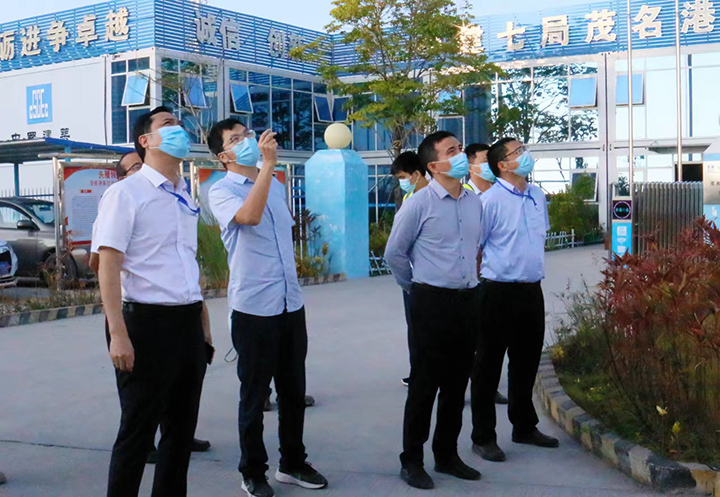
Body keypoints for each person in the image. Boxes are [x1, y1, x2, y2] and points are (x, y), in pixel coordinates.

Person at [94, 106, 212, 497]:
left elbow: (186, 264)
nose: (178, 129)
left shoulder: (184, 195)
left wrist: (203, 325)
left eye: (179, 123)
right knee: (137, 432)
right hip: (145, 325)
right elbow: (108, 265)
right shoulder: (126, 193)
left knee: (180, 433)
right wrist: (118, 333)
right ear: (145, 140)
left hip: (186, 324)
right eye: (167, 124)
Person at [207, 118, 327, 497]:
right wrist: (268, 167)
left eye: (247, 134)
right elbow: (249, 216)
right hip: (254, 308)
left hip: (290, 303)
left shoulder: (273, 185)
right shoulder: (221, 190)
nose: (247, 140)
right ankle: (252, 471)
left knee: (293, 391)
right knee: (255, 395)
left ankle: (293, 462)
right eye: (236, 139)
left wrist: (267, 171)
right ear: (223, 156)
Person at [385, 131, 483, 490]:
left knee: (457, 384)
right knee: (425, 384)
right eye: (451, 151)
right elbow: (394, 254)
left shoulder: (473, 202)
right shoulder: (418, 204)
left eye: (460, 148)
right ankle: (412, 460)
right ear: (434, 165)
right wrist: (415, 288)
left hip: (468, 299)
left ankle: (447, 454)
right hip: (430, 301)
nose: (460, 155)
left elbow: (476, 247)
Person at [470, 137, 559, 464]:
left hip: (531, 289)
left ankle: (524, 426)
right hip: (497, 291)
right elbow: (475, 247)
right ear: (502, 165)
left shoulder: (537, 195)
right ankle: (483, 437)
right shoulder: (489, 201)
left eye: (524, 148)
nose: (526, 154)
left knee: (526, 362)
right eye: (518, 151)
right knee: (488, 365)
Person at [463, 143, 509, 407]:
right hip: (469, 278)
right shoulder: (466, 196)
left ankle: (487, 389)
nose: (489, 164)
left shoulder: (498, 194)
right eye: (484, 160)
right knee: (465, 339)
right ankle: (458, 388)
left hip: (492, 279)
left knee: (489, 341)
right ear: (471, 166)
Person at [390, 151, 429, 388]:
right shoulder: (410, 198)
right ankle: (419, 374)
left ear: (416, 174)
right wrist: (408, 283)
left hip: (434, 279)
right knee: (415, 331)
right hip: (415, 278)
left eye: (403, 177)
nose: (402, 183)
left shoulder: (434, 197)